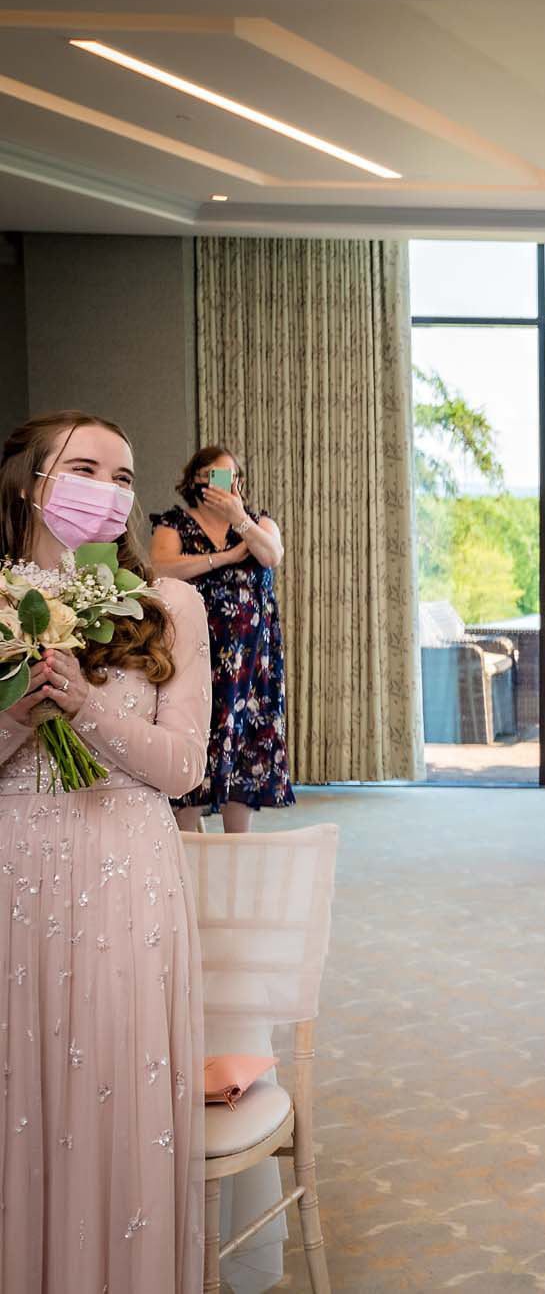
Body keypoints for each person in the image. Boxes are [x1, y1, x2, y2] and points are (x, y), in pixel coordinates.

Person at [0, 412, 212, 1292]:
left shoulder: (172, 602)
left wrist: (85, 705)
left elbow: (183, 766)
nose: (110, 491)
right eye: (85, 468)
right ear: (29, 486)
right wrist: (20, 709)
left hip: (126, 870)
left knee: (114, 1095)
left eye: (124, 477)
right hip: (15, 874)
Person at [149, 446, 293, 834]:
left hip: (250, 664)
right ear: (195, 480)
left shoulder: (259, 522)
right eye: (214, 476)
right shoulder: (173, 524)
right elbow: (160, 568)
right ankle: (189, 848)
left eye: (231, 477)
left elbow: (271, 555)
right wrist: (225, 557)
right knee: (195, 738)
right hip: (195, 657)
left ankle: (237, 849)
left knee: (243, 746)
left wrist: (239, 519)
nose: (223, 485)